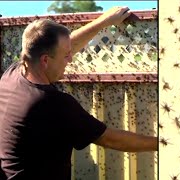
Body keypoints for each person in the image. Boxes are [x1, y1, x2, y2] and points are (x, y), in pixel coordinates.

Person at [0, 6, 157, 180]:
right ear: (45, 60)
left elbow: (62, 47)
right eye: (66, 56)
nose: (71, 59)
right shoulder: (54, 104)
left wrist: (104, 22)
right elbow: (111, 139)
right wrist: (163, 142)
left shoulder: (12, 75)